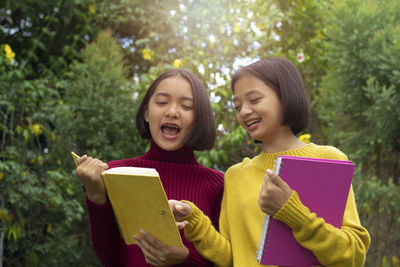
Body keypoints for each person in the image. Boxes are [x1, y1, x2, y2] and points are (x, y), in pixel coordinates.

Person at [170, 57, 371, 267]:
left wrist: (293, 214)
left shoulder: (329, 160)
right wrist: (193, 218)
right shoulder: (236, 175)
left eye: (254, 100)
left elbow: (353, 255)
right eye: (238, 106)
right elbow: (231, 257)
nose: (244, 111)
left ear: (285, 97)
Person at [75, 69, 224, 267]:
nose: (172, 112)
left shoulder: (218, 184)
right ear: (146, 112)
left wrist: (184, 259)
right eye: (162, 102)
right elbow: (112, 260)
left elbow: (225, 260)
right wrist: (95, 196)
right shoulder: (115, 173)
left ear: (199, 119)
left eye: (187, 106)